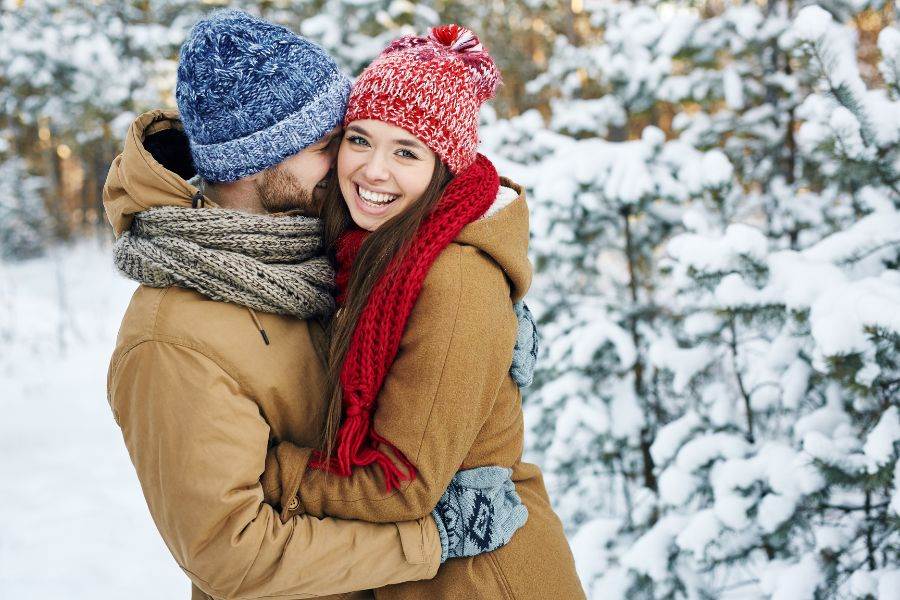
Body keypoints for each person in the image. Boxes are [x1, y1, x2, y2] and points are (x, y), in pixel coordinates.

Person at [104, 11, 528, 600]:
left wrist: (486, 320)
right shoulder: (171, 340)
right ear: (263, 159)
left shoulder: (311, 251)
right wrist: (426, 540)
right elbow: (232, 557)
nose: (352, 166)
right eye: (334, 144)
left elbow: (426, 237)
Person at [261, 25, 586, 599]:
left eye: (406, 151)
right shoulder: (369, 250)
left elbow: (399, 486)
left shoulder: (454, 280)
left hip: (480, 579)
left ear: (445, 168)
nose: (372, 170)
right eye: (359, 140)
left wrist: (261, 470)